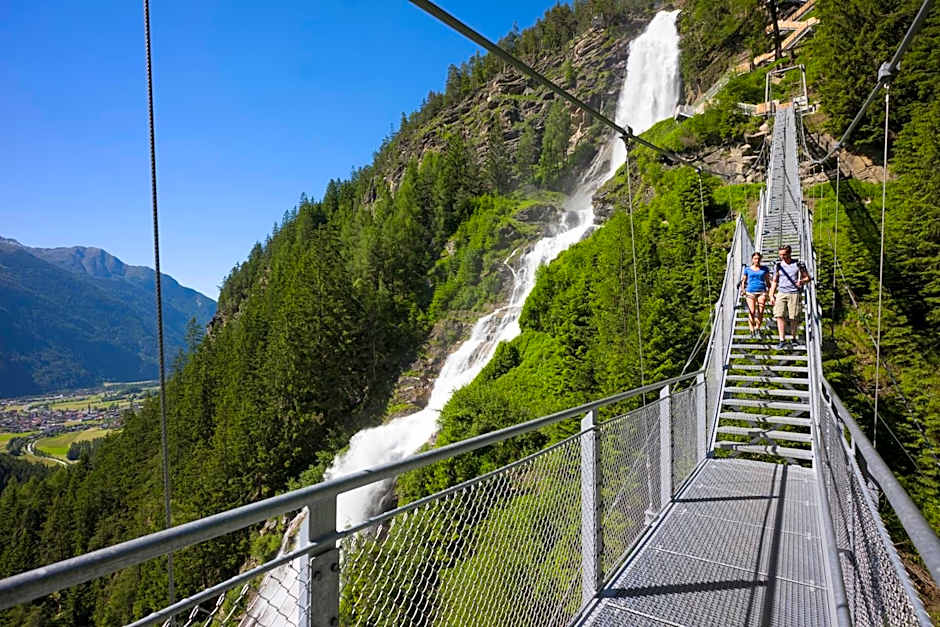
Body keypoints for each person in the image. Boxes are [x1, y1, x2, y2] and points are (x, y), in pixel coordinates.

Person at [769, 244, 811, 349]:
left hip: (794, 293)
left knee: (794, 317)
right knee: (779, 315)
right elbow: (774, 281)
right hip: (781, 292)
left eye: (784, 254)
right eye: (780, 255)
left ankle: (793, 338)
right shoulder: (778, 266)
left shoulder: (798, 264)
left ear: (789, 253)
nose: (782, 257)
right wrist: (771, 294)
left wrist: (801, 281)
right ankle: (782, 340)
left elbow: (808, 278)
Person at [739, 252, 771, 338]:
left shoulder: (764, 269)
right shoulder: (747, 269)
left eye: (758, 258)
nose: (757, 260)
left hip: (762, 291)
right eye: (755, 258)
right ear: (752, 259)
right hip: (750, 291)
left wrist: (770, 292)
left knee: (760, 311)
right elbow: (743, 280)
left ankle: (758, 328)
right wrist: (743, 290)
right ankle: (751, 328)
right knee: (752, 311)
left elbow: (768, 281)